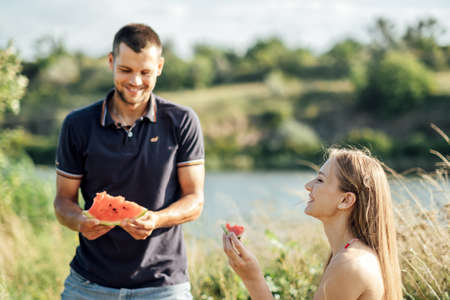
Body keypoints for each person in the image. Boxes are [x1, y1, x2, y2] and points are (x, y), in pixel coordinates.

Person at [54, 23, 204, 299]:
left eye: (145, 72)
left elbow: (195, 200)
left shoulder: (181, 121)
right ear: (111, 62)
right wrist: (79, 220)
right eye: (125, 70)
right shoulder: (78, 125)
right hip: (88, 284)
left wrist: (156, 219)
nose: (135, 82)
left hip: (163, 285)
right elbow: (63, 201)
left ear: (159, 67)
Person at [223, 148, 403, 300]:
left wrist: (253, 280)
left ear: (346, 200)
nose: (308, 186)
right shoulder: (350, 255)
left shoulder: (350, 264)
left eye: (320, 180)